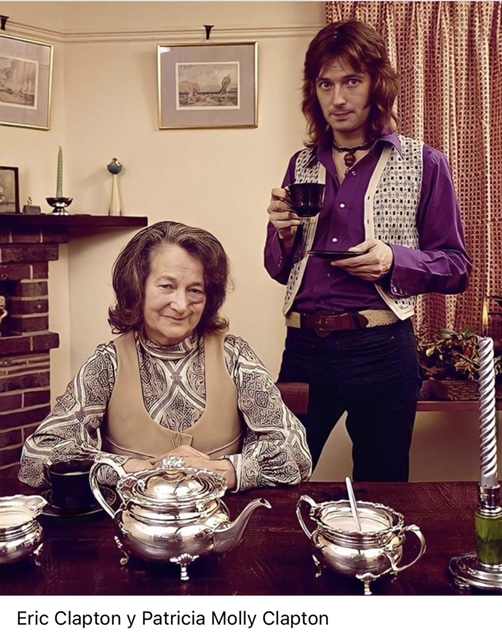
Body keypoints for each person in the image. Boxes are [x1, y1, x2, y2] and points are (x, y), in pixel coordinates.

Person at [265, 20, 471, 482]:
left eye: (352, 81)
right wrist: (283, 235)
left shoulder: (425, 162)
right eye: (326, 84)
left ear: (377, 84)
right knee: (277, 476)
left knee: (383, 487)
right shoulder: (301, 164)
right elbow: (279, 269)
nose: (337, 98)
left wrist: (394, 260)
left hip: (382, 350)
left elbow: (456, 267)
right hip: (303, 349)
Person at [19, 221, 312, 491]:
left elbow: (296, 455)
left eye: (195, 290)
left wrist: (222, 471)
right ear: (137, 287)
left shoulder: (234, 356)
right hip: (129, 523)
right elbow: (37, 456)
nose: (181, 305)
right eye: (167, 286)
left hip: (222, 521)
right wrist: (129, 469)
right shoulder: (107, 364)